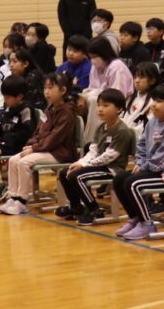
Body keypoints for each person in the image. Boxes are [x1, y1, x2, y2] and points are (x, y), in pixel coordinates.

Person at [114, 85, 164, 240]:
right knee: (119, 180)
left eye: (159, 101)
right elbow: (141, 145)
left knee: (133, 183)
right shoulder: (152, 123)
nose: (154, 104)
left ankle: (146, 223)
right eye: (153, 100)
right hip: (152, 168)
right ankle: (136, 217)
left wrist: (144, 166)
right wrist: (140, 161)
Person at [0, 73, 81, 215]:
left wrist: (34, 149)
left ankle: (22, 201)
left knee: (24, 162)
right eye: (45, 88)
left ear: (62, 90)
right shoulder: (49, 109)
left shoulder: (67, 112)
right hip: (44, 149)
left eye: (51, 88)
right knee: (13, 160)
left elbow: (55, 138)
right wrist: (31, 145)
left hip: (60, 152)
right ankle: (12, 197)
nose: (46, 92)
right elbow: (38, 131)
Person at [57, 89, 137, 224]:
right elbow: (93, 150)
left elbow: (109, 156)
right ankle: (76, 207)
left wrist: (84, 165)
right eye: (99, 105)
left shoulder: (122, 131)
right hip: (98, 166)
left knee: (77, 176)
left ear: (119, 109)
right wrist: (80, 162)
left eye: (105, 106)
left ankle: (94, 209)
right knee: (65, 172)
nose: (100, 109)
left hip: (111, 169)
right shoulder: (101, 127)